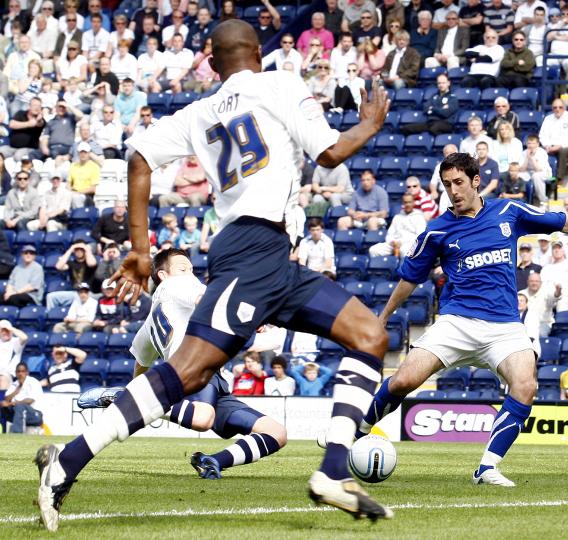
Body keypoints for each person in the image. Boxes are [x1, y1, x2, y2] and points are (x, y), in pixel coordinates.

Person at [34, 20, 395, 529]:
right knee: (188, 372)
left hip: (268, 255)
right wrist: (370, 125)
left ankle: (333, 472)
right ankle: (65, 463)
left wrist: (141, 250)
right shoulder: (281, 83)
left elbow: (138, 159)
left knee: (370, 334)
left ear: (210, 56)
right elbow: (330, 152)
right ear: (258, 50)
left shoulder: (198, 112)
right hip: (253, 250)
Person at [356, 152, 568, 487]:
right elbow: (409, 278)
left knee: (526, 385)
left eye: (459, 182)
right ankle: (355, 432)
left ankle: (487, 467)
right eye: (447, 184)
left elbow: (564, 222)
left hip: (505, 326)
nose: (453, 190)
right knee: (404, 380)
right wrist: (384, 316)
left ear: (476, 181)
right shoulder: (436, 231)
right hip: (457, 322)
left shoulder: (509, 211)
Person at [80, 249, 290, 480]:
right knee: (202, 418)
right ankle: (123, 395)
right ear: (163, 274)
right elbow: (211, 302)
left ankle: (212, 462)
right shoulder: (177, 285)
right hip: (195, 371)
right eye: (183, 268)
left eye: (191, 269)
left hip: (213, 381)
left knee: (276, 433)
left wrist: (139, 393)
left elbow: (141, 363)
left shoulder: (152, 318)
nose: (190, 273)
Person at [1, 363, 43, 434]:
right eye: (18, 371)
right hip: (17, 413)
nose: (20, 374)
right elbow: (6, 399)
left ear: (27, 372)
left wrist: (11, 403)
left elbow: (29, 401)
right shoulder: (15, 384)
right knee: (2, 405)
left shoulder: (33, 382)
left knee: (20, 406)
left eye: (23, 371)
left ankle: (16, 433)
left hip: (35, 415)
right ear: (15, 373)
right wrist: (16, 391)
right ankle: (3, 431)